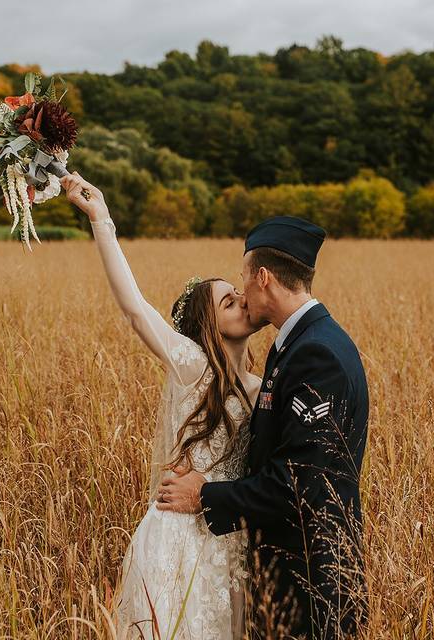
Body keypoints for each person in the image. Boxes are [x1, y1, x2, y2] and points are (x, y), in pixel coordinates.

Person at [61, 172, 264, 639]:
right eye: (228, 302)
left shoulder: (259, 387)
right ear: (207, 326)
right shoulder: (193, 365)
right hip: (178, 539)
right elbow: (135, 309)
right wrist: (102, 218)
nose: (242, 303)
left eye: (238, 296)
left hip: (227, 542)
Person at [158, 216, 370, 639]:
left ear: (263, 277)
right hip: (288, 579)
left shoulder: (317, 355)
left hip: (311, 585)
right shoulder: (295, 344)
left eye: (243, 280)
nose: (242, 292)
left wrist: (205, 495)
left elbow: (300, 482)